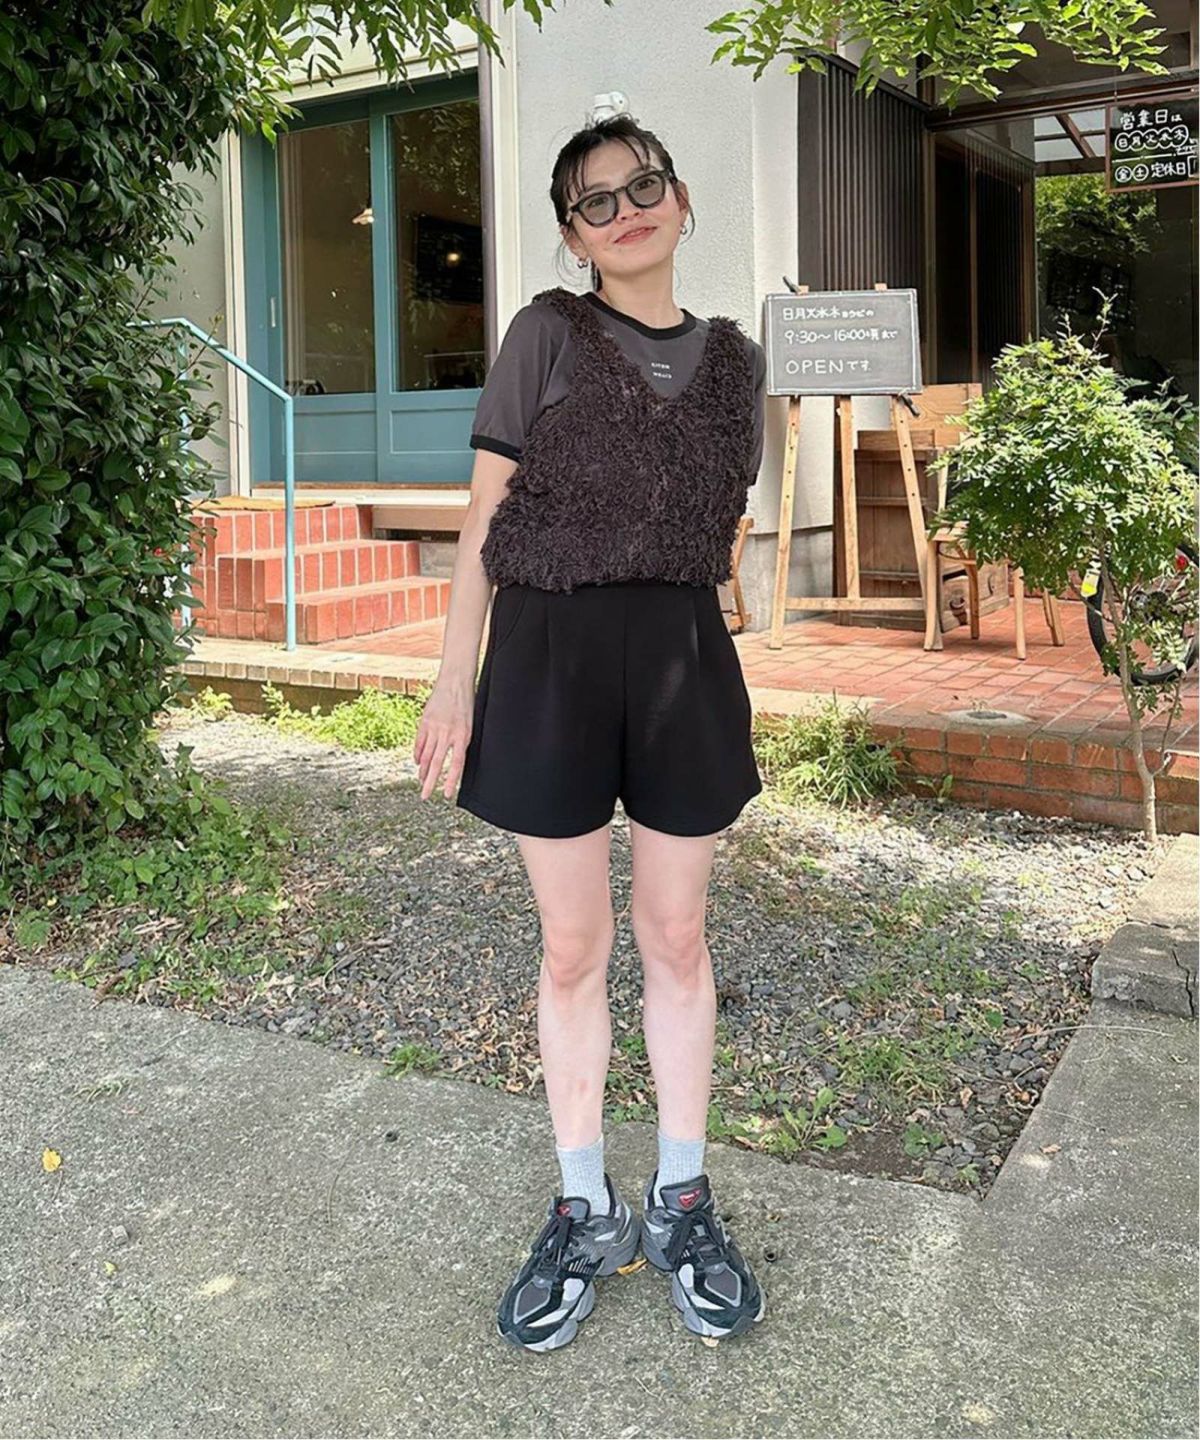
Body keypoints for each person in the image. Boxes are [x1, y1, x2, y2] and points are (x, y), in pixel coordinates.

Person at [413, 111, 767, 1352]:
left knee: (677, 935)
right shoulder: (545, 335)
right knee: (573, 946)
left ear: (680, 198)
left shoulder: (737, 363)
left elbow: (713, 522)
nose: (624, 212)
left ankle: (681, 1199)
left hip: (680, 657)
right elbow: (483, 522)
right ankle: (582, 1204)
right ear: (572, 234)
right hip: (548, 658)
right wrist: (454, 684)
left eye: (642, 186)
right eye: (594, 202)